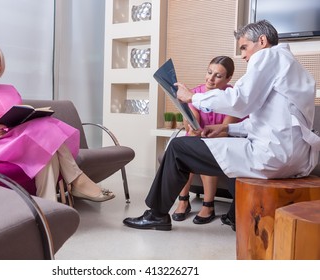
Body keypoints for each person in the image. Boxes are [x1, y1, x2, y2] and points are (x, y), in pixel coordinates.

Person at [123, 20, 320, 231]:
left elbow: (239, 101)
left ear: (261, 41)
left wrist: (192, 98)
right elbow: (269, 122)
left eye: (244, 47)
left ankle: (156, 215)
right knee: (199, 149)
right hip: (296, 158)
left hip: (273, 156)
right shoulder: (293, 67)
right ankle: (235, 217)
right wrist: (226, 129)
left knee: (178, 149)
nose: (243, 55)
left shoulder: (268, 56)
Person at [0, 41, 115, 203]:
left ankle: (48, 204)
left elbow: (17, 118)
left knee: (46, 144)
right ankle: (76, 180)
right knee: (46, 133)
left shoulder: (8, 91)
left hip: (12, 139)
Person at [172, 56, 241, 224]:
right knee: (184, 152)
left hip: (223, 139)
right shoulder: (195, 93)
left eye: (218, 75)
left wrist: (201, 134)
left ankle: (208, 205)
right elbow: (192, 120)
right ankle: (183, 200)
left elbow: (225, 130)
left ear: (228, 78)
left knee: (206, 152)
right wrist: (190, 123)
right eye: (209, 72)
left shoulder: (233, 97)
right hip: (200, 135)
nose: (211, 78)